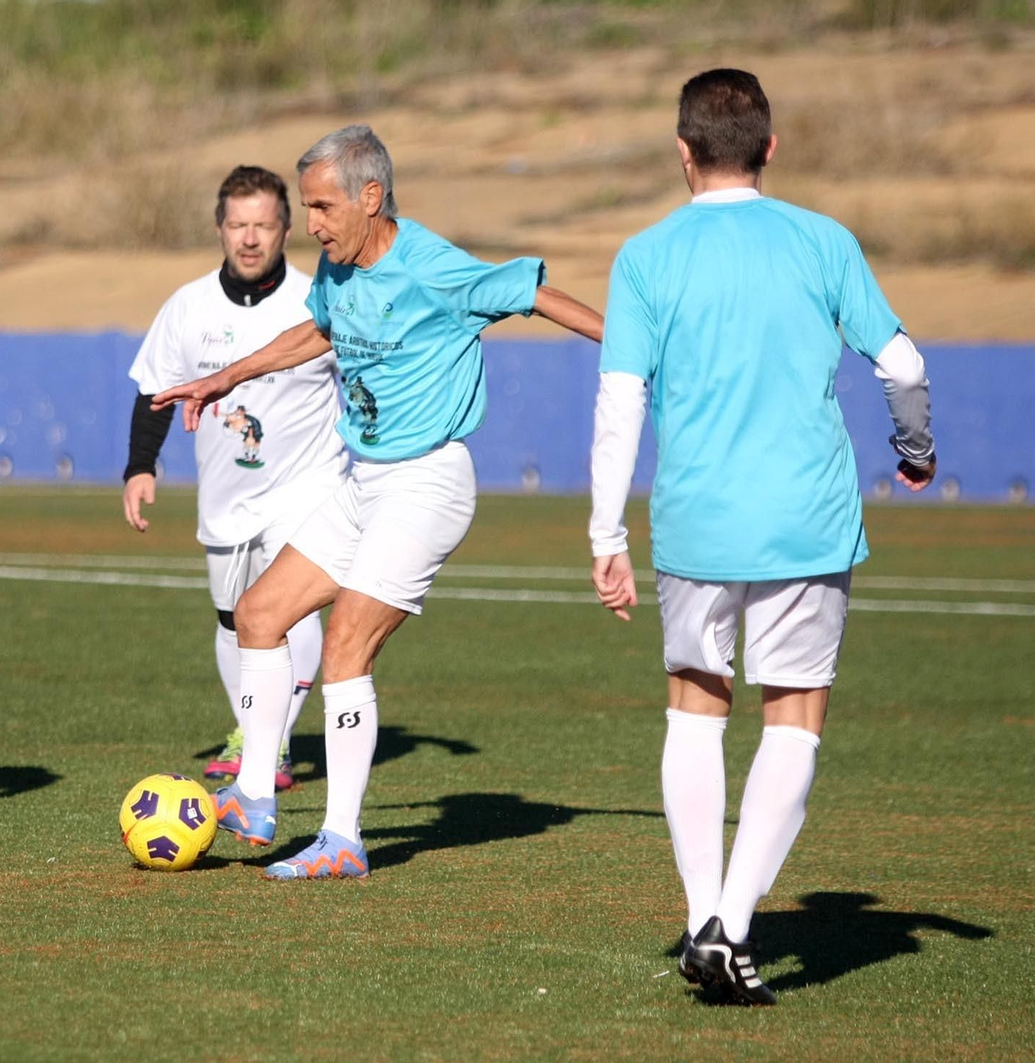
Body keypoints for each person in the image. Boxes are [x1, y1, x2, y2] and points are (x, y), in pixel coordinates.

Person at [153, 125, 604, 879]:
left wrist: (636, 360)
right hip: (364, 484)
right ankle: (255, 798)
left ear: (371, 196)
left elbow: (536, 294)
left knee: (344, 647)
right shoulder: (337, 271)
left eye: (324, 207)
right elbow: (316, 332)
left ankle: (341, 839)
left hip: (427, 484)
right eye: (308, 207)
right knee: (261, 617)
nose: (315, 224)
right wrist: (226, 376)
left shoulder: (432, 268)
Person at [588, 69, 936, 1004]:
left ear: (683, 152)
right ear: (770, 149)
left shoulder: (645, 255)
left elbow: (622, 401)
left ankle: (706, 915)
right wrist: (916, 447)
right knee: (795, 714)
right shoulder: (823, 240)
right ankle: (733, 925)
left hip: (697, 519)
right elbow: (902, 364)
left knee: (694, 705)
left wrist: (603, 530)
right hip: (807, 520)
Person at [123, 165, 348, 792]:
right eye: (238, 225)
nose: (250, 238)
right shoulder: (188, 306)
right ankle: (254, 730)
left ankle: (263, 744)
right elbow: (155, 390)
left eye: (265, 225)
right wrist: (141, 465)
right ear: (221, 229)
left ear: (286, 230)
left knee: (290, 615)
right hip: (226, 499)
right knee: (233, 619)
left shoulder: (317, 303)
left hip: (309, 489)